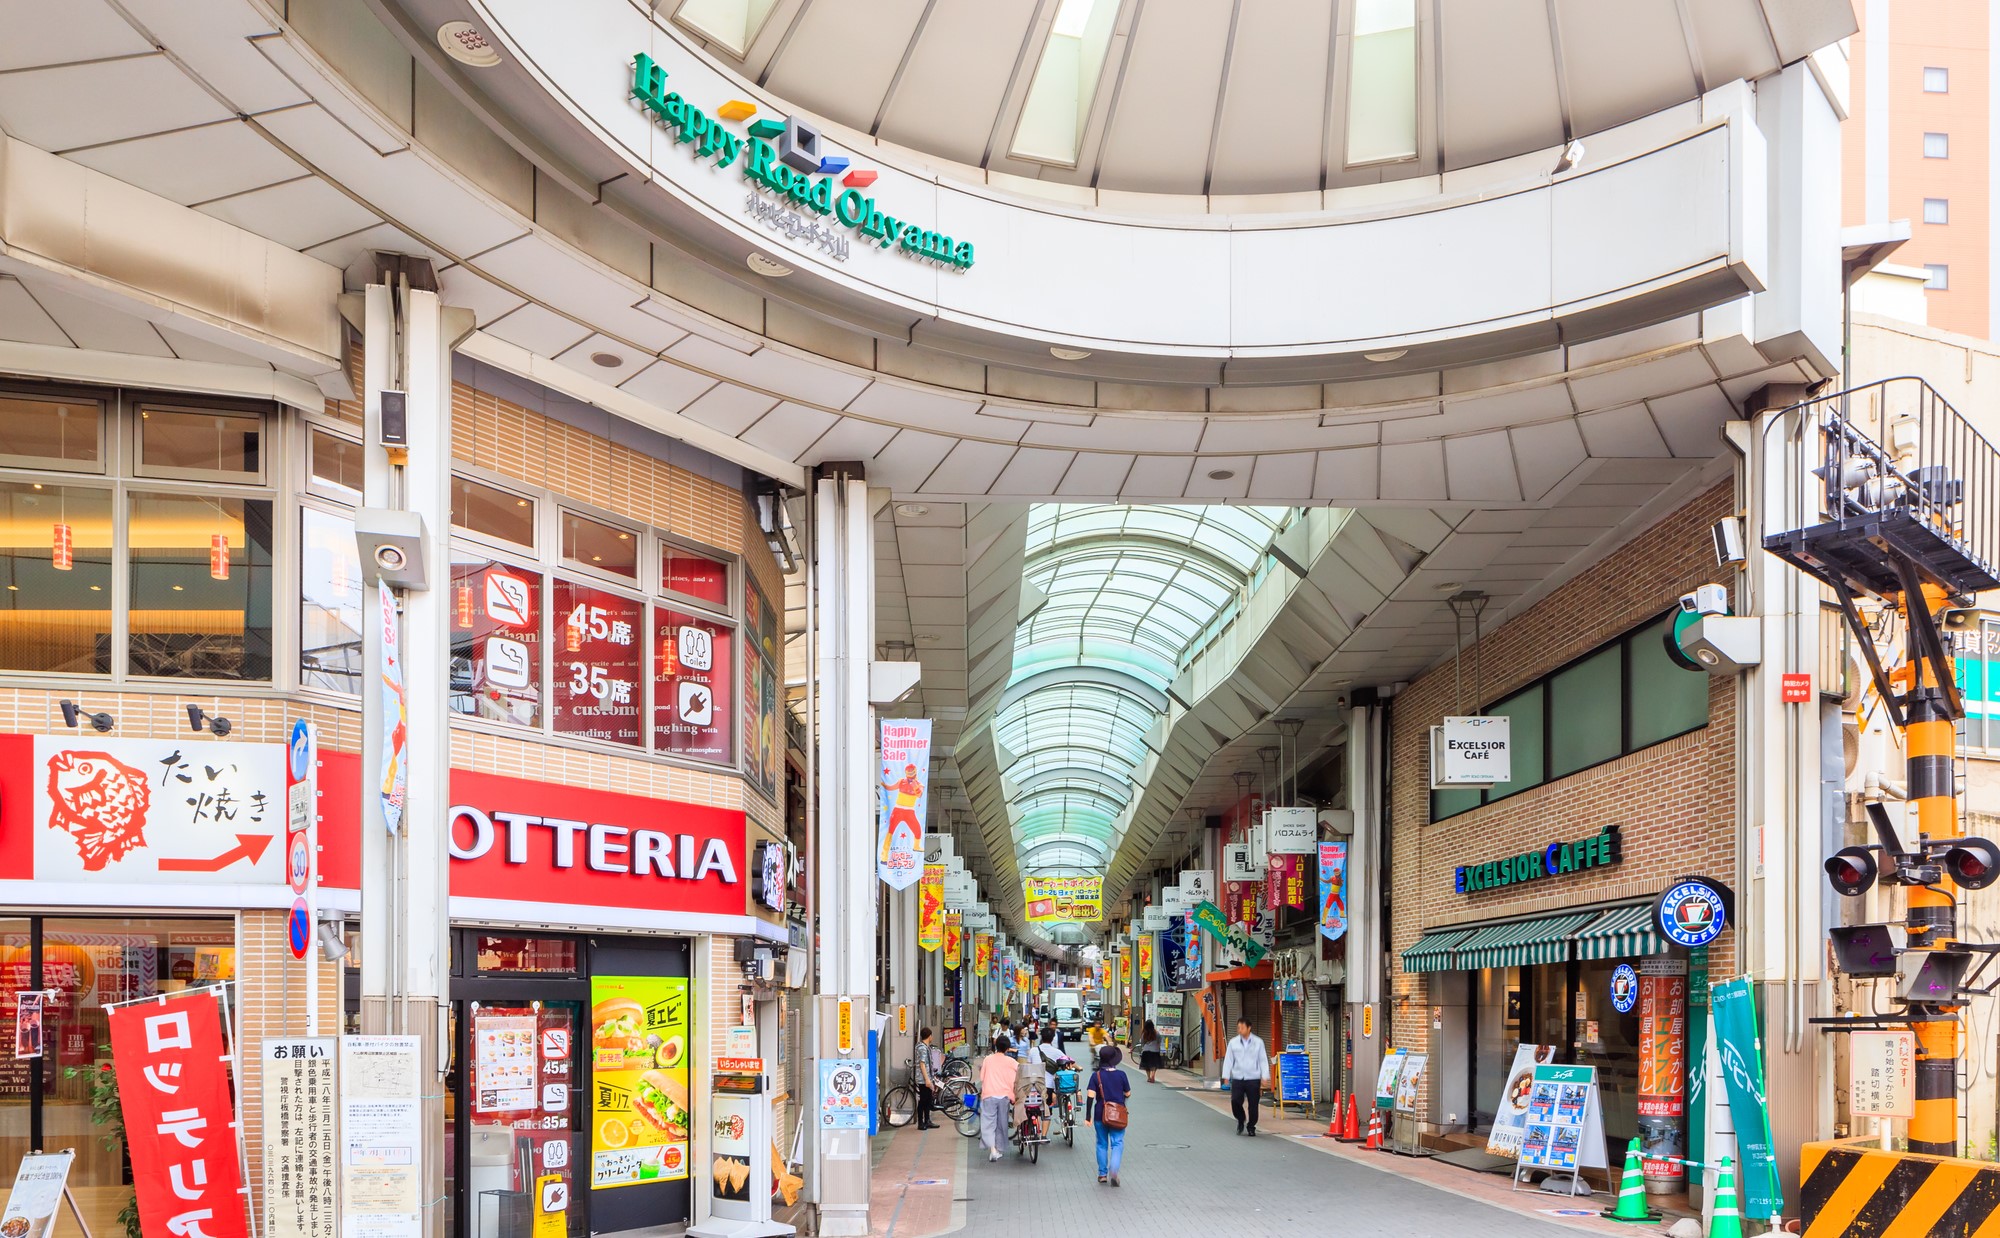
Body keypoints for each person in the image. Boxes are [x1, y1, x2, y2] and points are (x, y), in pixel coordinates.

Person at [1086, 1044, 1131, 1186]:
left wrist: (1088, 1117)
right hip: (1117, 1114)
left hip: (1100, 1114)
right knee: (1117, 1143)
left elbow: (1090, 1096)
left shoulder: (1096, 1076)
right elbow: (1128, 1093)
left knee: (1101, 1144)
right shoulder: (1121, 1075)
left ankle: (1102, 1174)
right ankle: (1114, 1170)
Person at [1222, 1017, 1268, 1136]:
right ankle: (1241, 1119)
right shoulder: (1233, 1042)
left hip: (1253, 1078)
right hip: (1238, 1077)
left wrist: (1265, 1076)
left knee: (1253, 1104)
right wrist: (1226, 1076)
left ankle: (1251, 1126)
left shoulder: (1258, 1042)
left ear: (1249, 1028)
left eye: (1242, 1027)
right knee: (1235, 1101)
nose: (1240, 1030)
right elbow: (1228, 1060)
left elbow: (1263, 1059)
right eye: (1238, 1028)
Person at [978, 1034, 1020, 1161]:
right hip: (1005, 1096)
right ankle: (999, 1149)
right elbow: (1020, 1074)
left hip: (989, 1094)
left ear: (996, 1046)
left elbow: (981, 1078)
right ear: (1007, 1048)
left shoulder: (988, 1060)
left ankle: (992, 1150)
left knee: (988, 1122)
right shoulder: (1012, 1062)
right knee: (1002, 1123)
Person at [915, 1027, 943, 1130]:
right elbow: (922, 1064)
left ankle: (927, 1120)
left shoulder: (925, 1046)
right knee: (923, 1100)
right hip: (923, 1079)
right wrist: (927, 1079)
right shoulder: (922, 1048)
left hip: (928, 1077)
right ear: (929, 1036)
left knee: (928, 1100)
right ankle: (921, 1123)